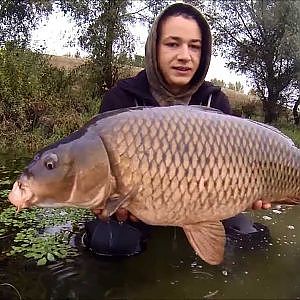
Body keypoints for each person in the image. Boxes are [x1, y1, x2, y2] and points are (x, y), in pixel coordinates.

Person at [83, 2, 271, 257]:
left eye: (194, 46)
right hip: (138, 216)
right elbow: (96, 174)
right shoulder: (122, 99)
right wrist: (100, 200)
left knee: (254, 241)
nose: (185, 55)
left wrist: (251, 191)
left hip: (206, 207)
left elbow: (243, 167)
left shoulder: (214, 101)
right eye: (173, 44)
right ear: (154, 48)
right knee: (109, 244)